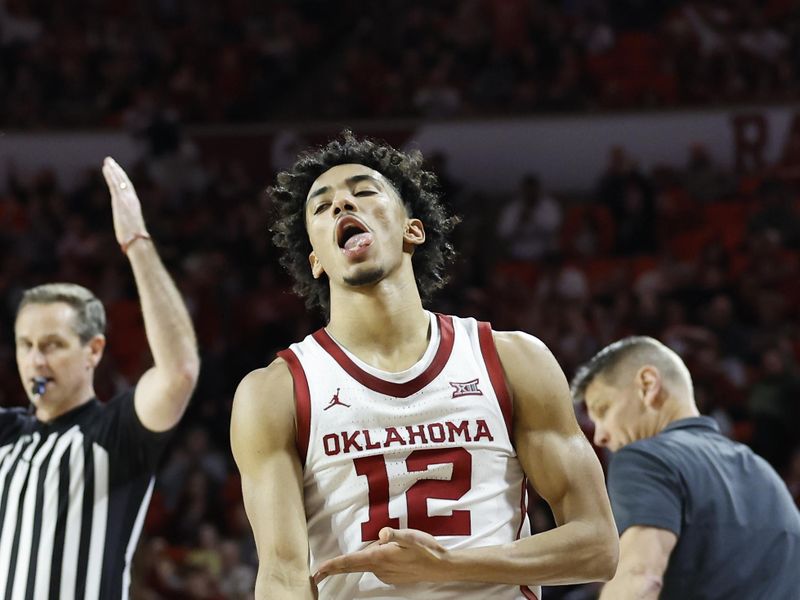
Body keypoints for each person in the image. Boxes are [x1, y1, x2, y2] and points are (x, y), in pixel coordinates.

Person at [231, 132, 618, 599]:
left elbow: (597, 545)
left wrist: (448, 564)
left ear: (412, 229)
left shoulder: (512, 359)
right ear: (316, 260)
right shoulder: (275, 391)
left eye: (364, 191)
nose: (341, 205)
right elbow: (281, 577)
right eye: (322, 205)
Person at [1, 157, 200, 598]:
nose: (36, 359)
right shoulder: (6, 432)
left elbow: (179, 372)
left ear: (93, 350)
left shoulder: (116, 431)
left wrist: (137, 243)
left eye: (52, 344)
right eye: (26, 344)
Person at [571, 335, 800, 599]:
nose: (600, 435)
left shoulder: (647, 458)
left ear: (647, 385)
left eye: (603, 409)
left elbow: (640, 577)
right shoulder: (762, 470)